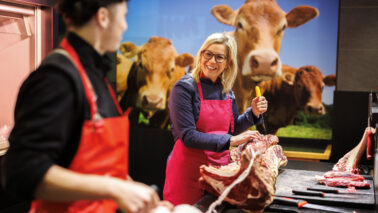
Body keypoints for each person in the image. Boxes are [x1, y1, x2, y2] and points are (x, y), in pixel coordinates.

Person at [2, 0, 162, 212]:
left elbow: (101, 163)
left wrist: (137, 193)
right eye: (123, 16)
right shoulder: (56, 77)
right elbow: (21, 170)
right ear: (103, 17)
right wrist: (114, 188)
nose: (125, 26)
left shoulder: (96, 75)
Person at [163, 33, 268, 205]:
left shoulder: (226, 90)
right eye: (208, 54)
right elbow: (188, 136)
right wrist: (232, 140)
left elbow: (231, 129)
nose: (212, 61)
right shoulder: (183, 88)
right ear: (201, 55)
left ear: (228, 63)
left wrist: (252, 114)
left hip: (219, 171)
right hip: (188, 173)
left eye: (219, 57)